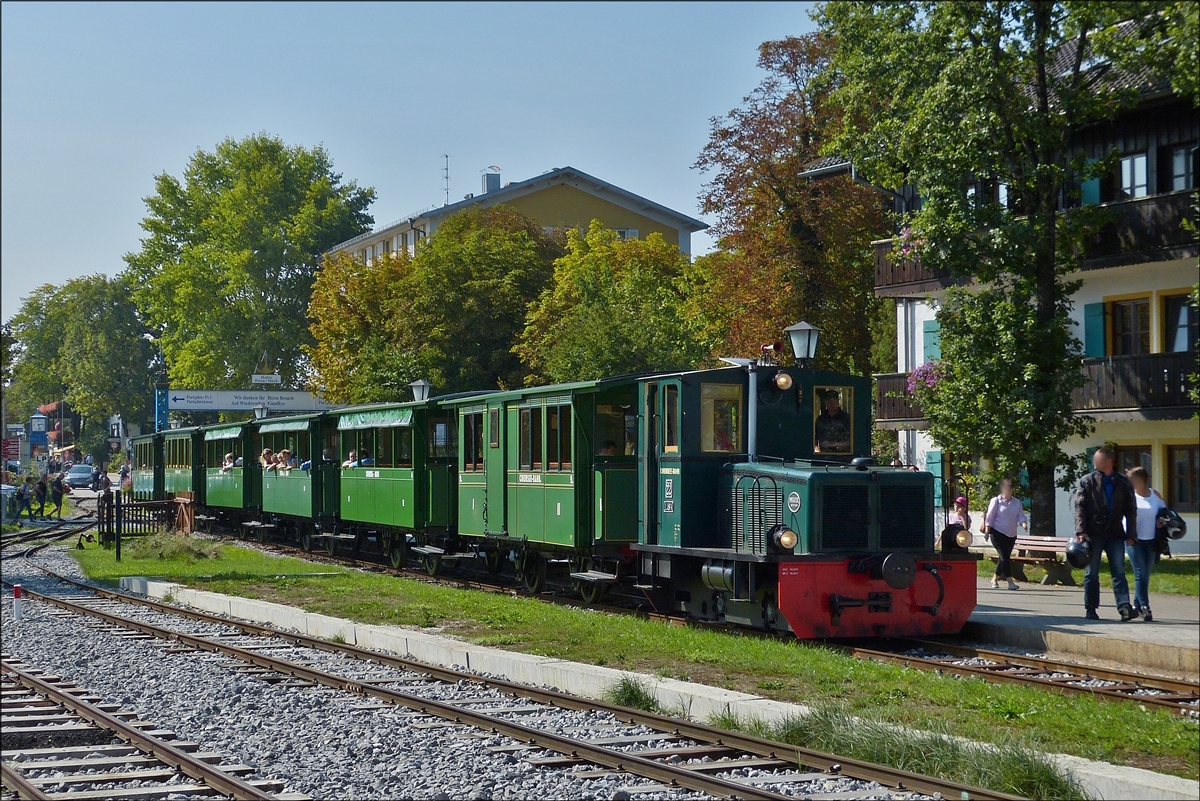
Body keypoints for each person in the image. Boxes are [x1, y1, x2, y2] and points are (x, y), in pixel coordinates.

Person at [1074, 447, 1137, 621]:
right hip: (1093, 534)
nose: (1094, 463)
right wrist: (1081, 531)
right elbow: (1080, 507)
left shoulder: (1123, 483)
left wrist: (1131, 534)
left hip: (1115, 533)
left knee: (1118, 571)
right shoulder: (1087, 481)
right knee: (1091, 573)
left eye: (1098, 459)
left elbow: (1131, 510)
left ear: (1109, 462)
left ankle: (1124, 607)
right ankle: (1091, 608)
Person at [1124, 466, 1167, 622]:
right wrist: (1128, 534)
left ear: (1142, 480)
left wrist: (1162, 522)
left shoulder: (1154, 495)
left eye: (1134, 480)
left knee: (1145, 575)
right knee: (1140, 573)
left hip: (1152, 541)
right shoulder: (1129, 496)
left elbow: (1165, 512)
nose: (1132, 483)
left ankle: (1135, 607)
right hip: (1134, 540)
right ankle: (1145, 607)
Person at [983, 478, 1027, 590]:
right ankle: (1010, 582)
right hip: (997, 533)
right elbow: (990, 517)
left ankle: (994, 579)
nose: (1008, 489)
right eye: (1006, 487)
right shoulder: (996, 501)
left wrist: (1023, 524)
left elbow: (1021, 516)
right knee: (1005, 557)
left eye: (1010, 487)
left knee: (1003, 558)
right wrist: (987, 531)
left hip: (1011, 534)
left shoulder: (1017, 503)